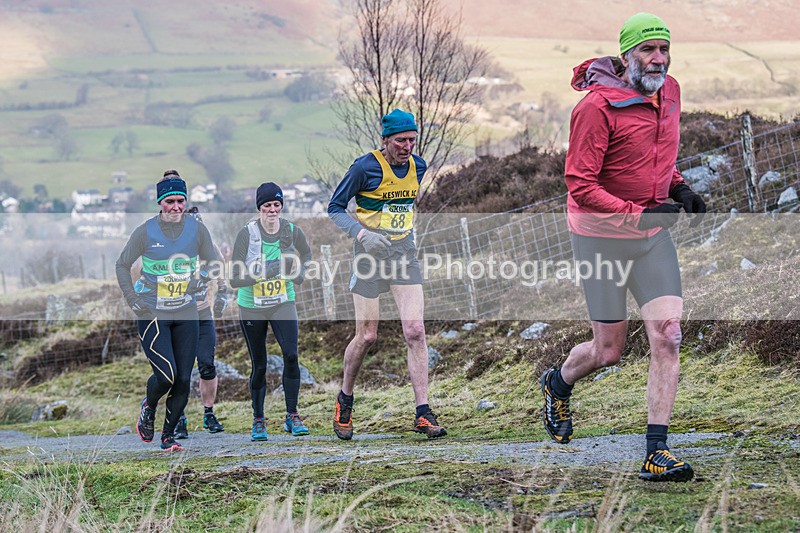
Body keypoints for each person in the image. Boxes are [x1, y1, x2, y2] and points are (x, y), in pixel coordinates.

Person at [540, 13, 706, 482]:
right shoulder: (596, 107)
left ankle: (656, 451)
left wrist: (679, 189)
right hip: (601, 240)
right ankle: (558, 382)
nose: (658, 58)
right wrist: (639, 213)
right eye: (647, 50)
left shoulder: (669, 91)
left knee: (667, 335)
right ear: (627, 55)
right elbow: (580, 185)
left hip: (650, 240)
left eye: (664, 49)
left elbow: (655, 155)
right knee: (609, 350)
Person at [327, 108, 446, 440]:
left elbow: (403, 209)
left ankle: (423, 413)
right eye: (400, 141)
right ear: (385, 140)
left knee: (415, 331)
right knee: (367, 337)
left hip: (403, 256)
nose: (407, 146)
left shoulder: (418, 166)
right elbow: (334, 207)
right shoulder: (365, 167)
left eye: (411, 140)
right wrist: (363, 234)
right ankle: (345, 399)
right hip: (368, 258)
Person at [116, 170, 222, 452]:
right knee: (166, 376)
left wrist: (200, 278)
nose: (176, 207)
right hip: (152, 311)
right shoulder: (145, 231)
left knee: (185, 380)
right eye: (170, 201)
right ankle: (149, 406)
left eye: (181, 201)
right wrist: (131, 298)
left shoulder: (197, 229)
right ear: (160, 203)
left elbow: (214, 262)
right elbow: (122, 264)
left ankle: (168, 436)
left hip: (186, 311)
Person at [229, 182, 312, 440]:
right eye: (267, 206)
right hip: (252, 306)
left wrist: (298, 273)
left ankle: (292, 416)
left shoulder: (290, 230)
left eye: (277, 205)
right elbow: (234, 278)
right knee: (260, 364)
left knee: (290, 355)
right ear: (259, 208)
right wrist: (263, 273)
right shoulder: (247, 234)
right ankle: (258, 420)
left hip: (282, 301)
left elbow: (307, 254)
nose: (273, 210)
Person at [173, 206, 227, 439]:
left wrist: (223, 292)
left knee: (207, 364)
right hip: (179, 315)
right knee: (180, 370)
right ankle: (178, 417)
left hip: (203, 314)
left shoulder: (208, 246)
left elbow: (220, 264)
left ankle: (208, 413)